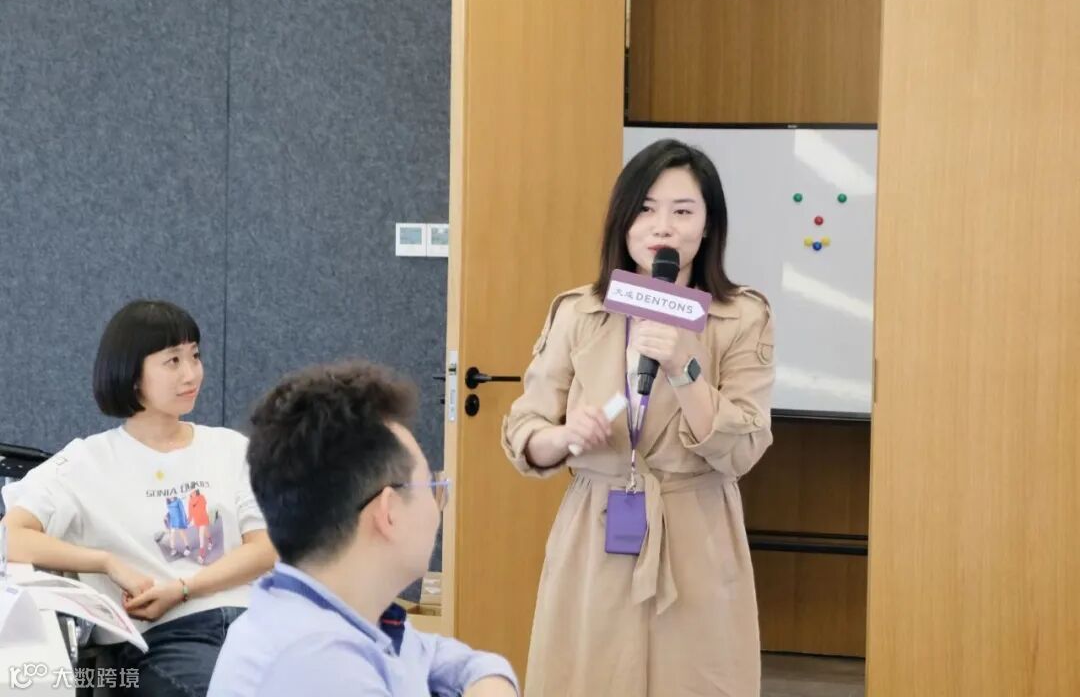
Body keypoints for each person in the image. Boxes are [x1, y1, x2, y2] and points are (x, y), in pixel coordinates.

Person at [502, 139, 776, 696]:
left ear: (707, 225)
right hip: (595, 527)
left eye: (683, 211)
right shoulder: (579, 311)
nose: (662, 227)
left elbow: (744, 448)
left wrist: (684, 368)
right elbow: (526, 429)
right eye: (646, 209)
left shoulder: (742, 316)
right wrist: (562, 437)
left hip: (696, 530)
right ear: (623, 219)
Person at [0, 300, 277, 696]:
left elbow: (265, 548)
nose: (191, 373)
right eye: (173, 361)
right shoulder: (85, 462)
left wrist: (184, 588)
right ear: (132, 376)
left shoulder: (229, 448)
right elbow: (10, 537)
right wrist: (105, 562)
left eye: (195, 356)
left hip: (256, 623)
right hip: (165, 640)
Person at [208, 360, 518, 697]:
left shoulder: (340, 612)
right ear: (389, 512)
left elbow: (445, 659)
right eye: (432, 486)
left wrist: (490, 679)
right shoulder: (318, 665)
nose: (438, 505)